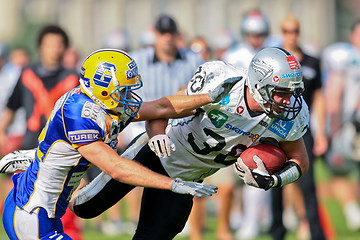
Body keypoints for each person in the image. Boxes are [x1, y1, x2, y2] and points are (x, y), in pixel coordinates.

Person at [61, 47, 309, 240]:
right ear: (257, 83)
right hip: (155, 152)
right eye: (281, 93)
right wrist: (157, 133)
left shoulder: (291, 116)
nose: (287, 102)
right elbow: (164, 107)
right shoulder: (224, 83)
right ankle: (45, 176)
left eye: (291, 94)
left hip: (186, 179)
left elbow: (300, 161)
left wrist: (275, 180)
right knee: (84, 208)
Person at [1, 48, 233, 239]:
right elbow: (116, 168)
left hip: (44, 208)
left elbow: (160, 107)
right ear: (103, 87)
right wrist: (171, 184)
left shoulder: (102, 103)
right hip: (32, 214)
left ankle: (35, 158)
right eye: (124, 90)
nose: (130, 95)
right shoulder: (80, 114)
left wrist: (209, 97)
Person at [269, 15, 327, 240]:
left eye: (294, 30)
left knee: (308, 184)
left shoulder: (312, 61)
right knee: (273, 182)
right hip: (276, 128)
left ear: (299, 32)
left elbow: (319, 98)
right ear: (281, 32)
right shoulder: (275, 59)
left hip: (303, 129)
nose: (291, 35)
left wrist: (321, 131)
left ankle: (316, 233)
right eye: (286, 30)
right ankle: (277, 232)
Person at [222, 10, 272, 239]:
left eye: (260, 33)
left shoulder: (272, 52)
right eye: (252, 33)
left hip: (262, 121)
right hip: (236, 120)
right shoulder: (235, 54)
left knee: (256, 167)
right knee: (230, 175)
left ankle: (251, 222)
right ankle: (236, 216)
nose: (256, 38)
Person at [0, 25, 79, 151]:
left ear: (65, 48)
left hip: (63, 144)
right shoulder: (28, 74)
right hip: (31, 142)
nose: (55, 49)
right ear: (41, 47)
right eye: (50, 45)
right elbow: (12, 106)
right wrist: (2, 131)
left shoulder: (72, 78)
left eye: (59, 45)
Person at [321, 20, 360, 232]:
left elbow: (334, 95)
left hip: (350, 125)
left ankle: (352, 210)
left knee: (339, 172)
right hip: (347, 125)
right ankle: (352, 210)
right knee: (339, 171)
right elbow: (334, 96)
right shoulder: (345, 58)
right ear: (352, 36)